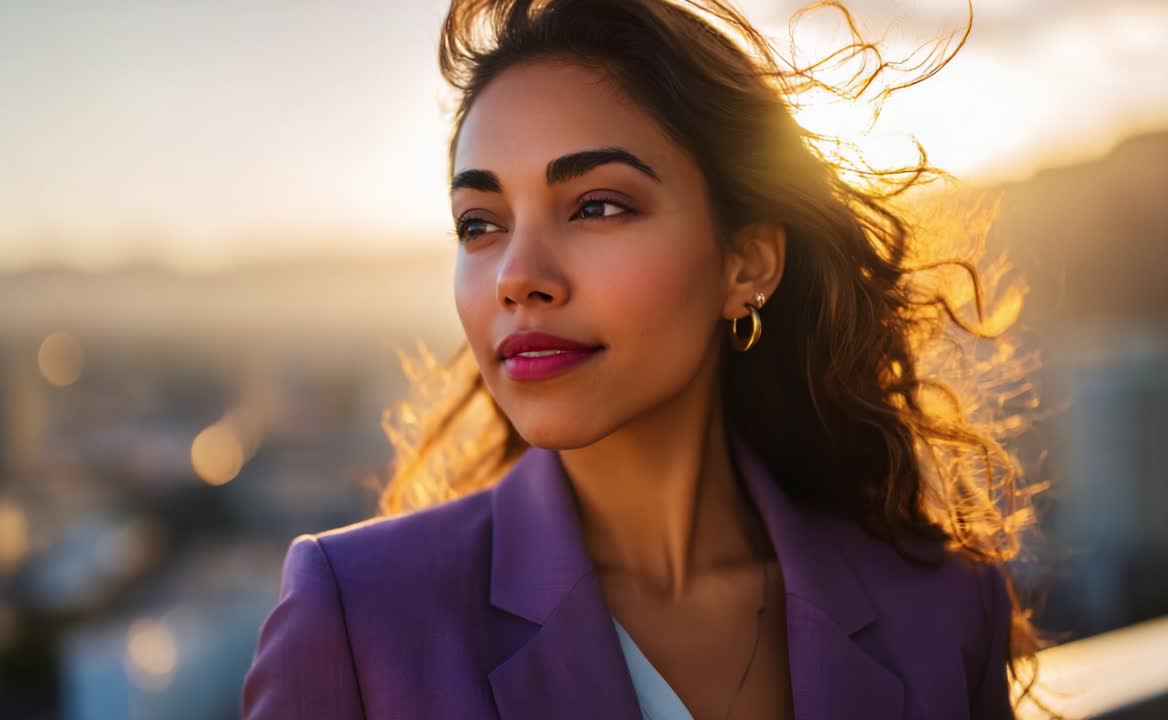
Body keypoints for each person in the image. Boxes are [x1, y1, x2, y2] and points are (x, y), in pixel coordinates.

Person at [243, 0, 1055, 717]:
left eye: (597, 206)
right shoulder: (356, 617)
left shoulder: (944, 606)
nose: (518, 276)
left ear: (746, 263)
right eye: (479, 224)